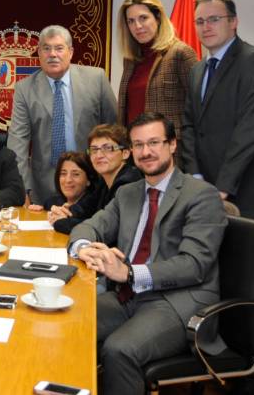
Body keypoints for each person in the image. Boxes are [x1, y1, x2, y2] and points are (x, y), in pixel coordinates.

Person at [68, 112, 226, 394]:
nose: (146, 152)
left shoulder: (202, 195)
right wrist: (84, 247)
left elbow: (194, 264)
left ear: (172, 144)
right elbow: (90, 226)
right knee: (66, 321)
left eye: (154, 142)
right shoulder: (128, 193)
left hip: (177, 303)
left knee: (119, 349)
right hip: (127, 296)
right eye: (138, 145)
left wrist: (129, 272)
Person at [7, 24, 117, 206]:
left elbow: (114, 129)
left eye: (59, 48)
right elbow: (18, 143)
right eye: (46, 48)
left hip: (94, 181)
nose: (52, 54)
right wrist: (23, 189)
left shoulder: (96, 79)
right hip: (45, 187)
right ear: (39, 53)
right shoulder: (24, 89)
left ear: (70, 52)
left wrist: (112, 176)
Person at [181, 0, 254, 220]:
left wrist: (222, 188)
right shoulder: (197, 70)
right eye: (199, 21)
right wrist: (195, 177)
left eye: (214, 19)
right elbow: (189, 126)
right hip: (203, 189)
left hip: (244, 190)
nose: (206, 27)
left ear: (233, 22)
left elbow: (250, 130)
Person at [116, 0, 197, 160]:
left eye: (143, 18)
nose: (137, 26)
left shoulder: (180, 53)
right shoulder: (130, 60)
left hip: (172, 156)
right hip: (135, 154)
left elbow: (197, 111)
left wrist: (192, 159)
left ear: (158, 18)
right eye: (131, 21)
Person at [28, 151, 97, 235]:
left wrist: (65, 220)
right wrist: (39, 212)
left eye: (76, 174)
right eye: (63, 174)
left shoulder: (94, 207)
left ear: (88, 180)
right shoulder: (53, 202)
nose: (68, 180)